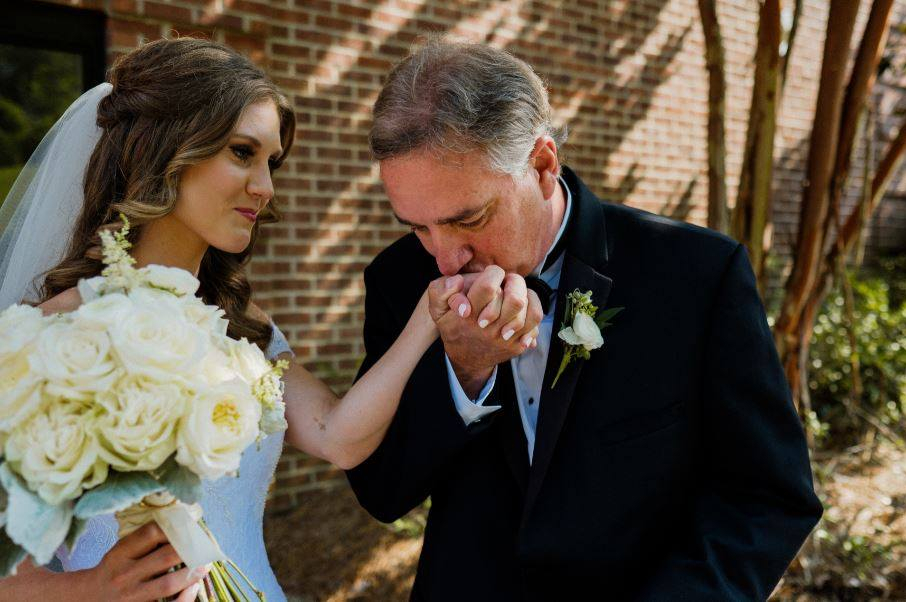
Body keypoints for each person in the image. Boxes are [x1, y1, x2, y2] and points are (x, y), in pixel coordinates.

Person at [0, 38, 541, 601]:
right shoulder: (46, 336)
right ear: (167, 151)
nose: (266, 187)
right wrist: (91, 588)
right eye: (241, 152)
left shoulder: (239, 323)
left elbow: (339, 437)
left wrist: (427, 318)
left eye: (270, 161)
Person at [345, 39, 824, 601]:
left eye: (468, 219)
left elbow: (767, 495)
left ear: (543, 165)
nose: (445, 261)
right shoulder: (399, 281)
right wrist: (465, 371)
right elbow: (381, 491)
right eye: (418, 227)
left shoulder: (697, 274)